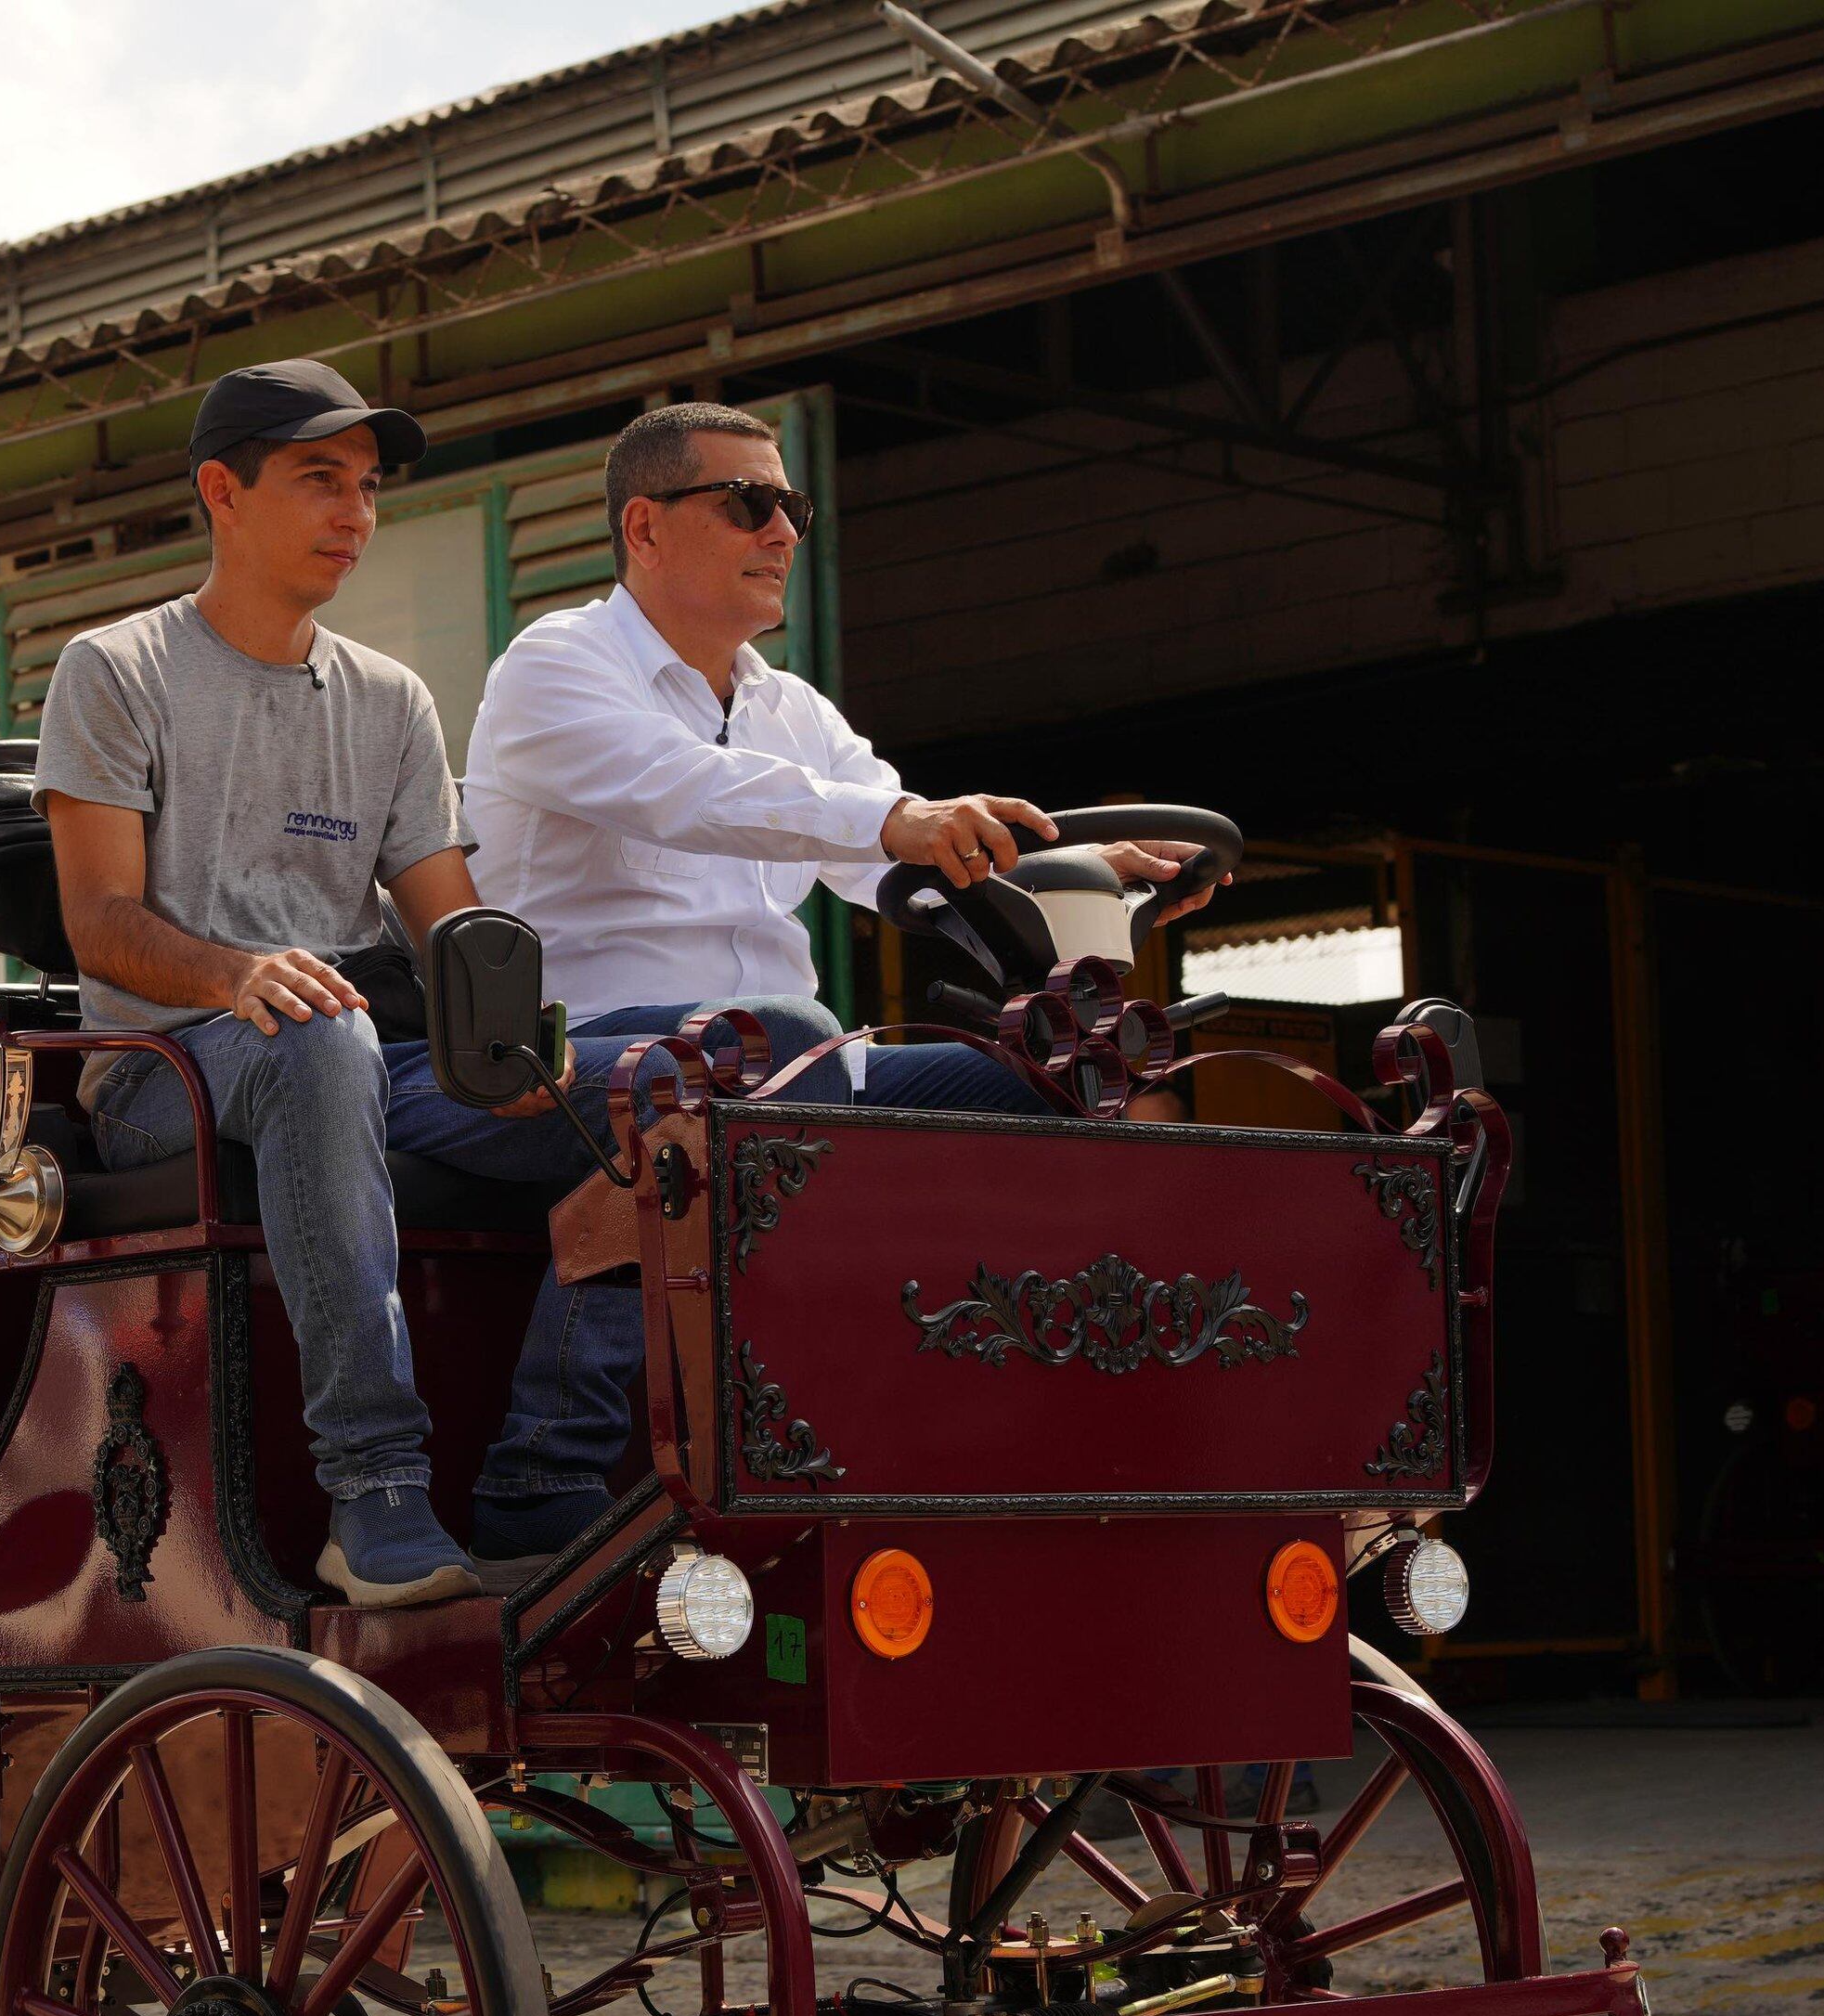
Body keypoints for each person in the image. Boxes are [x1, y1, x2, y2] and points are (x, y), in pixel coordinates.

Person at [391, 401, 1218, 1561]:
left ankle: (975, 1441)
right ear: (644, 527)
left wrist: (1076, 874)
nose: (781, 531)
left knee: (1057, 1075)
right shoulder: (556, 667)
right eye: (748, 503)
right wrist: (900, 822)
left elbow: (904, 869)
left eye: (791, 507)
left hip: (777, 1063)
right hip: (562, 1063)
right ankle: (542, 1473)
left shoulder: (789, 709)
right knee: (761, 1046)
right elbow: (698, 793)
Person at [36, 359, 558, 1609]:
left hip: (355, 1053)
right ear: (222, 491)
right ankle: (374, 1492)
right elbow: (98, 924)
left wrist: (527, 1045)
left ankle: (553, 1482)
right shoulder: (114, 670)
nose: (355, 513)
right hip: (166, 1073)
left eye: (368, 487)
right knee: (320, 1039)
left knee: (656, 1109)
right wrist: (236, 973)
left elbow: (450, 927)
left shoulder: (391, 700)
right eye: (322, 479)